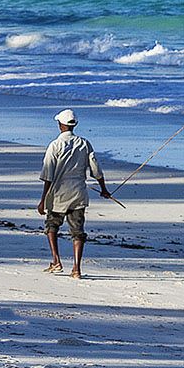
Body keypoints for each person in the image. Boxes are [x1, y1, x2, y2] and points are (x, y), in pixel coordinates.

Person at [38, 109, 111, 278]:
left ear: (60, 125)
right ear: (74, 124)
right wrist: (104, 189)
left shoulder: (55, 145)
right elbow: (96, 169)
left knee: (52, 226)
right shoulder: (84, 144)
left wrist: (43, 200)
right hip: (78, 193)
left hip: (58, 194)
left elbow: (48, 175)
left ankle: (56, 261)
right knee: (78, 231)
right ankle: (76, 269)